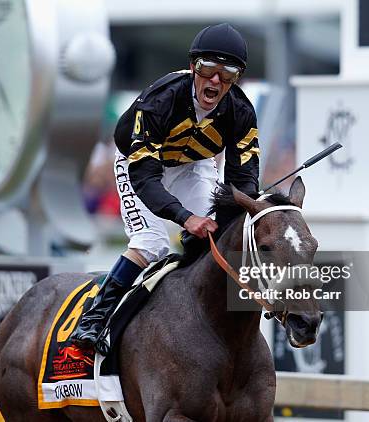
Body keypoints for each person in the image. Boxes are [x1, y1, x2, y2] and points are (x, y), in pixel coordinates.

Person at [71, 23, 260, 350]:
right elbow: (145, 177)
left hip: (195, 164)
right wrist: (185, 218)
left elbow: (243, 180)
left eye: (227, 73)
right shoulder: (160, 100)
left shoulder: (241, 112)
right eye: (208, 68)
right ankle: (95, 318)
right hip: (141, 163)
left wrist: (249, 210)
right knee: (151, 242)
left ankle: (197, 316)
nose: (215, 80)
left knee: (221, 233)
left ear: (236, 78)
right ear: (192, 67)